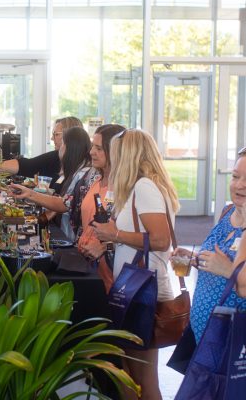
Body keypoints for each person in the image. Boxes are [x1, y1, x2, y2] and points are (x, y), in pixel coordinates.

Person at [92, 129, 179, 400]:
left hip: (143, 292)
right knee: (129, 371)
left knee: (142, 376)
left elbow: (161, 239)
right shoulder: (143, 186)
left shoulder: (145, 187)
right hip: (136, 290)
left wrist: (114, 235)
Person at [172, 147, 246, 342]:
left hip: (234, 342)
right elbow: (217, 257)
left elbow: (232, 274)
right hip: (204, 335)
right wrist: (196, 259)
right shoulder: (227, 211)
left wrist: (228, 270)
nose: (239, 185)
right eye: (236, 176)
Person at [9, 126, 95, 240]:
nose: (60, 148)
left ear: (70, 149)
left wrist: (30, 194)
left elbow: (64, 204)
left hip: (75, 240)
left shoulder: (82, 174)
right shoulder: (77, 172)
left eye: (63, 143)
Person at [77, 124, 126, 293]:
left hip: (112, 275)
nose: (91, 152)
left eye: (98, 148)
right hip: (87, 267)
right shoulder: (94, 180)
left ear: (114, 151)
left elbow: (138, 237)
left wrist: (105, 247)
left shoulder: (125, 188)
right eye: (92, 147)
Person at [0, 116, 83, 187]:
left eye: (56, 134)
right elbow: (28, 165)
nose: (52, 138)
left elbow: (27, 165)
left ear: (69, 136)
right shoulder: (57, 156)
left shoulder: (81, 166)